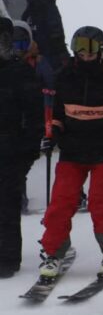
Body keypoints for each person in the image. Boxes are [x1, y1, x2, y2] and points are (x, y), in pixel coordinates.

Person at [37, 26, 103, 283]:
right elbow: (57, 115)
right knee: (60, 202)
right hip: (73, 152)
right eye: (80, 48)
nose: (85, 54)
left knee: (101, 203)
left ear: (101, 50)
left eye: (91, 49)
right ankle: (54, 251)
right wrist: (51, 135)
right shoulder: (64, 78)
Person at [0, 17, 44, 278]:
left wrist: (28, 151)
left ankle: (7, 259)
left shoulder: (20, 72)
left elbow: (35, 116)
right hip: (13, 145)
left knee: (7, 203)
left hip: (11, 147)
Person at [12, 19, 55, 213]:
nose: (19, 49)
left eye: (22, 44)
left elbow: (51, 82)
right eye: (14, 45)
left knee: (26, 156)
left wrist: (45, 92)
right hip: (14, 117)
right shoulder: (8, 65)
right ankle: (18, 194)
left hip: (37, 113)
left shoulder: (38, 61)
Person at [21, 0, 70, 74]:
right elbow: (56, 34)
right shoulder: (50, 9)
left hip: (29, 59)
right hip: (50, 59)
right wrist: (64, 56)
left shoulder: (28, 11)